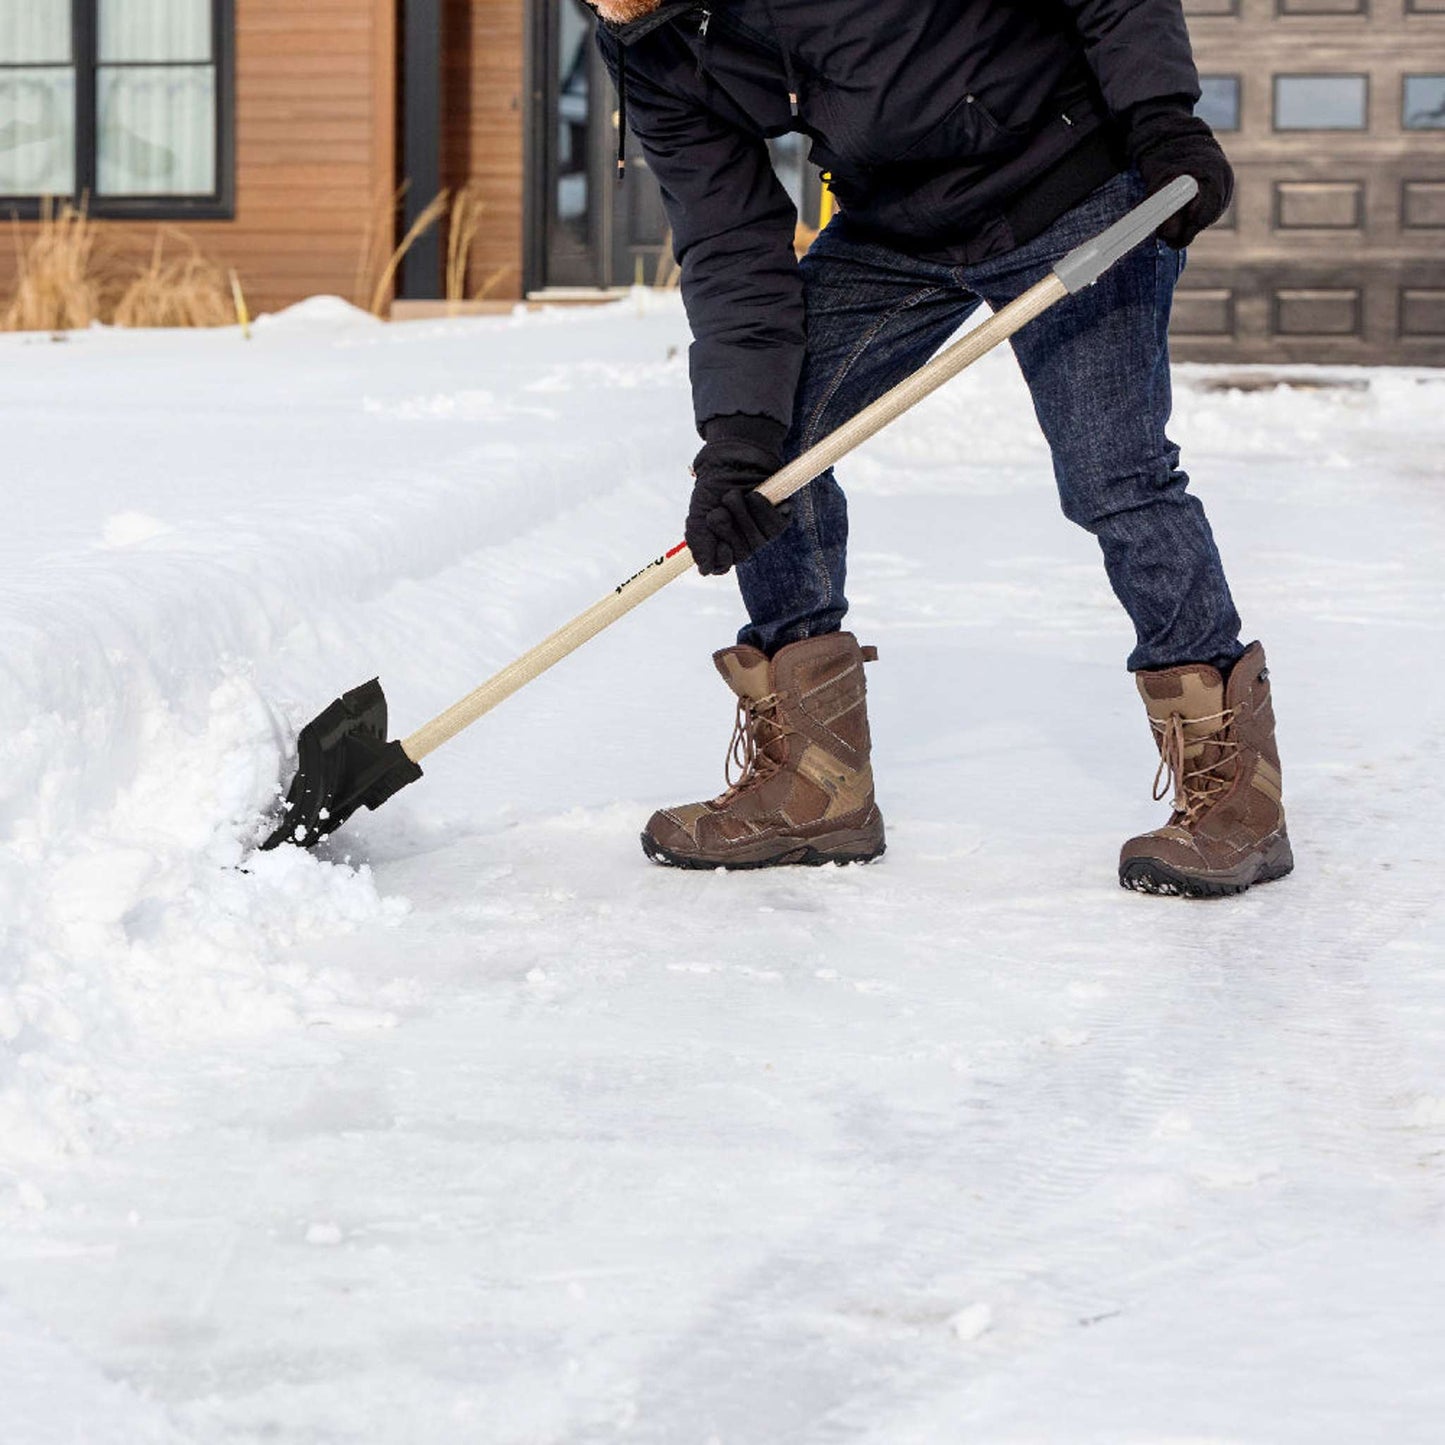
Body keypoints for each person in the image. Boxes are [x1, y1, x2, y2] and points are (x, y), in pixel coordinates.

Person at [590, 0, 1292, 898]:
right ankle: (815, 785)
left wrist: (1159, 113)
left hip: (1071, 187)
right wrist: (736, 438)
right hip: (896, 228)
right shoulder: (650, 48)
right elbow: (726, 240)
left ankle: (1237, 794)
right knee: (774, 455)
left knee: (1112, 474)